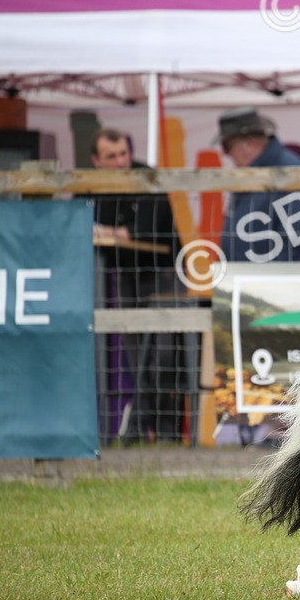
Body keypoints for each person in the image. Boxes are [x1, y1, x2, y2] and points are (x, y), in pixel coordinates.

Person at [88, 128, 185, 442]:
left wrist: (110, 232)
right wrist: (116, 233)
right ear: (96, 161)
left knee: (165, 354)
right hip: (124, 276)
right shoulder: (90, 184)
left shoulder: (147, 179)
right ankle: (142, 428)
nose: (120, 162)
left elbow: (139, 232)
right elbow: (81, 222)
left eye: (124, 154)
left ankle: (168, 432)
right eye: (111, 157)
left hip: (163, 275)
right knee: (134, 355)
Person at [216, 107, 300, 263]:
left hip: (271, 283)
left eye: (227, 146)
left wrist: (266, 281)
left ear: (249, 143)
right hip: (246, 280)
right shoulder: (249, 173)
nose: (226, 154)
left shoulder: (288, 173)